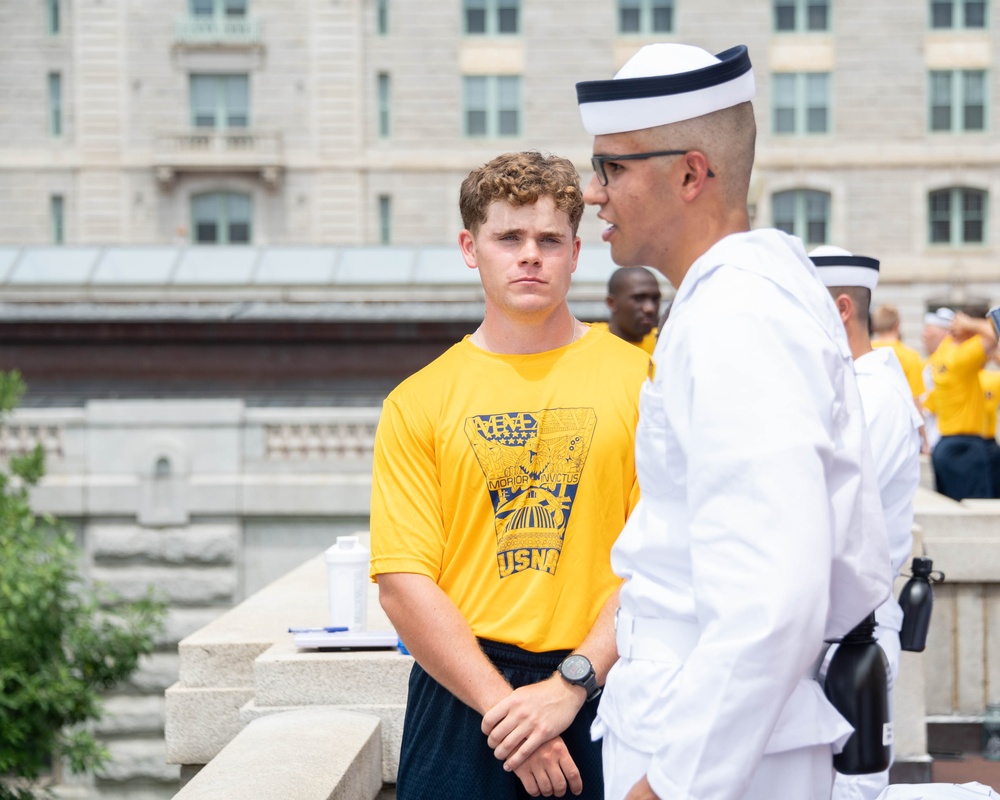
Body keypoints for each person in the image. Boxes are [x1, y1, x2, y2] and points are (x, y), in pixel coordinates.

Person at [495, 43, 891, 800]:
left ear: (689, 174)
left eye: (612, 168)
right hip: (720, 734)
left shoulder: (735, 318)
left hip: (717, 754)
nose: (594, 193)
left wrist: (667, 788)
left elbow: (772, 602)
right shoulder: (740, 298)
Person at [369, 151, 649, 800]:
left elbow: (660, 557)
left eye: (549, 240)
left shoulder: (640, 382)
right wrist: (511, 712)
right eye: (509, 238)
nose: (530, 255)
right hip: (463, 702)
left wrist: (570, 686)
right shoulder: (419, 399)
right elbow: (403, 582)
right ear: (471, 247)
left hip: (608, 687)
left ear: (576, 252)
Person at [811, 246, 923, 800]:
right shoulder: (848, 389)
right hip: (829, 633)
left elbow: (828, 517)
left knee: (847, 792)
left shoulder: (872, 396)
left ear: (841, 310)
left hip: (850, 639)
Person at [924, 309, 998, 500]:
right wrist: (971, 324)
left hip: (946, 446)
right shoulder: (959, 357)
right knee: (980, 517)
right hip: (965, 449)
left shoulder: (940, 357)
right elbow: (995, 334)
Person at [590, 267, 661, 355]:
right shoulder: (587, 341)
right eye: (639, 298)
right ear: (611, 302)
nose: (650, 308)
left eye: (655, 299)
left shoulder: (665, 343)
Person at [872, 304, 926, 405]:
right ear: (897, 324)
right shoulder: (911, 357)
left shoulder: (864, 352)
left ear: (874, 327)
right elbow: (915, 401)